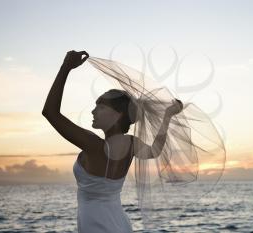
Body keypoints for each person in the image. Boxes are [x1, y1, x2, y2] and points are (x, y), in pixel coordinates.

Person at [42, 50, 183, 233]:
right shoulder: (132, 144)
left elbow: (50, 112)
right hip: (119, 224)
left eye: (100, 107)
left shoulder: (93, 145)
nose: (93, 111)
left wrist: (66, 68)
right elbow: (155, 150)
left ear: (118, 115)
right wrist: (167, 116)